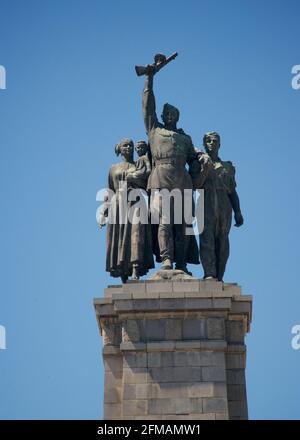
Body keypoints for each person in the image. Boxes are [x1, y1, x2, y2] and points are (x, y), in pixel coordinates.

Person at [142, 69, 199, 273]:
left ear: (176, 116)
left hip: (182, 181)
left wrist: (199, 165)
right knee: (164, 222)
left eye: (171, 114)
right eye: (165, 114)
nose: (168, 116)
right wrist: (149, 80)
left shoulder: (186, 139)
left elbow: (194, 160)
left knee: (182, 225)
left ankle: (182, 263)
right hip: (161, 179)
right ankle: (167, 259)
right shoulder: (154, 130)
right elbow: (148, 108)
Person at [101, 139, 154, 283]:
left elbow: (147, 182)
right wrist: (104, 210)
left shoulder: (140, 163)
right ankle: (123, 272)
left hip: (136, 201)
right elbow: (110, 190)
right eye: (125, 145)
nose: (129, 147)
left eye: (131, 145)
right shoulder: (113, 168)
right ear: (119, 149)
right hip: (117, 204)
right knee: (119, 237)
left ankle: (136, 268)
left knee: (136, 234)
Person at [195, 132, 244, 281]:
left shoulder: (228, 167)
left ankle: (220, 275)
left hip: (224, 206)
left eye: (214, 141)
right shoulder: (198, 163)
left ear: (219, 144)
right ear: (204, 144)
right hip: (205, 203)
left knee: (223, 241)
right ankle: (209, 273)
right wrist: (204, 169)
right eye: (208, 141)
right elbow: (195, 185)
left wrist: (238, 211)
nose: (211, 143)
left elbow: (233, 192)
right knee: (206, 239)